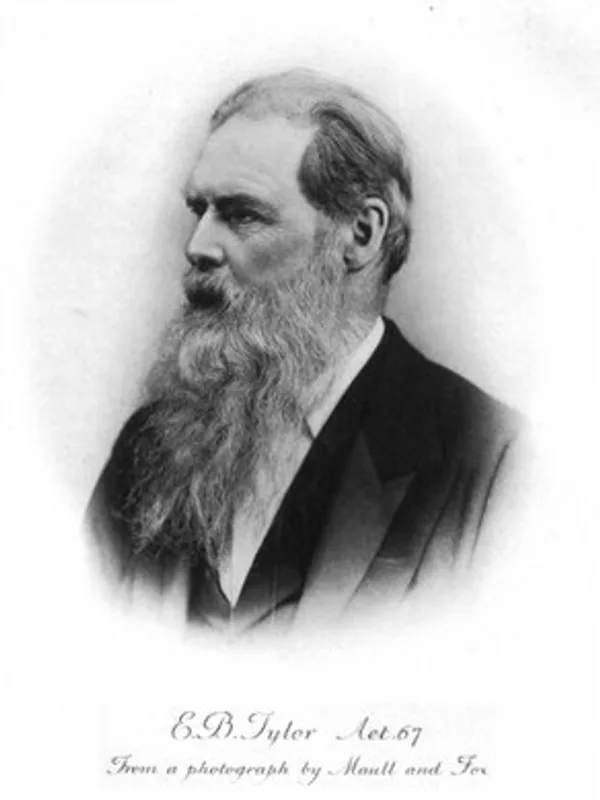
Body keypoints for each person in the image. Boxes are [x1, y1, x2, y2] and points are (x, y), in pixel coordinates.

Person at [86, 68, 522, 635]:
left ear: (361, 234)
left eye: (243, 214)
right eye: (200, 211)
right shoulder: (144, 447)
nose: (198, 247)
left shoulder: (491, 458)